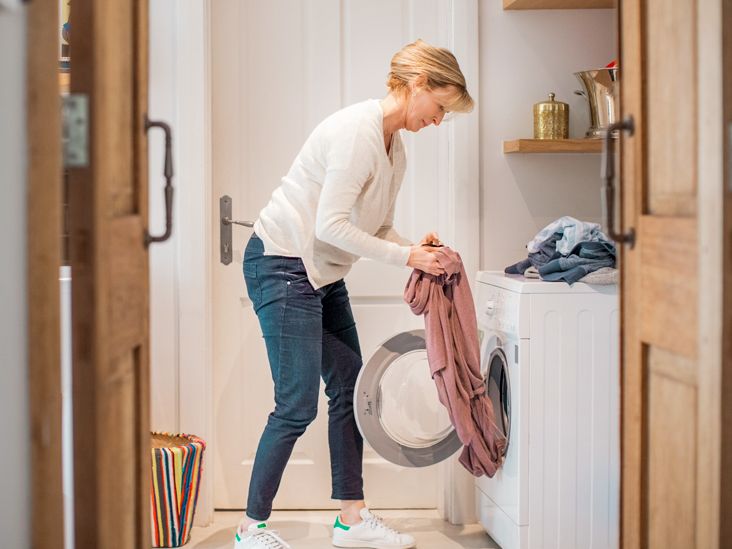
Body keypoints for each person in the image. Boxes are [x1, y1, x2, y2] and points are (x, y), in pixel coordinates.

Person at [234, 39, 474, 549]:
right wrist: (408, 258)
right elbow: (332, 225)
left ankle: (351, 519)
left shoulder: (396, 151)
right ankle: (249, 528)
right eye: (440, 107)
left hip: (321, 272)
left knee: (352, 389)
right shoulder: (354, 133)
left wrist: (414, 246)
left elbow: (377, 227)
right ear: (417, 85)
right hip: (282, 261)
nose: (439, 121)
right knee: (296, 403)